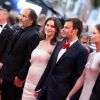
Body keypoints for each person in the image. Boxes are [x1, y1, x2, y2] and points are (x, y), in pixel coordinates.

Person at [35, 18, 89, 100]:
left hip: (60, 95)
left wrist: (70, 97)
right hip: (45, 91)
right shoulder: (59, 43)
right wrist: (39, 86)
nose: (63, 29)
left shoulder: (82, 51)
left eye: (66, 28)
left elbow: (78, 77)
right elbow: (49, 67)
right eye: (64, 27)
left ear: (75, 31)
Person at [0, 8, 40, 100]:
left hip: (15, 78)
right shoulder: (19, 29)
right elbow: (9, 51)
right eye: (21, 15)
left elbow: (29, 58)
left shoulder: (34, 35)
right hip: (7, 73)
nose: (20, 18)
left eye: (24, 16)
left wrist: (21, 77)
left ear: (32, 20)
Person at [22, 17, 62, 100]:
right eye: (47, 25)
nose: (48, 28)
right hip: (28, 80)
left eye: (52, 26)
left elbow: (52, 69)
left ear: (57, 30)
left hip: (39, 82)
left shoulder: (56, 46)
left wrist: (43, 86)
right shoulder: (40, 41)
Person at [66, 24, 100, 100]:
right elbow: (82, 78)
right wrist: (69, 95)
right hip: (83, 95)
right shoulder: (91, 55)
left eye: (94, 33)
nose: (91, 36)